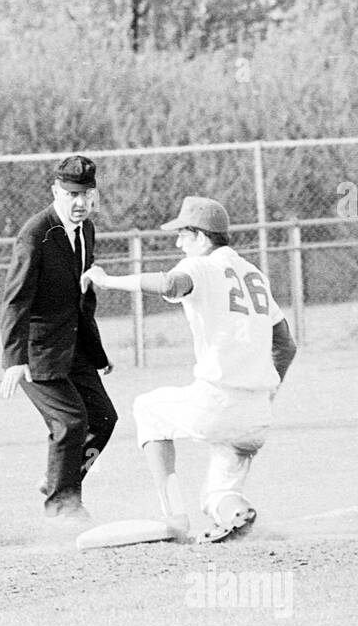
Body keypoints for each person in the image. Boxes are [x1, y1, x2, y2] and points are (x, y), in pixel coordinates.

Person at [81, 196, 297, 542]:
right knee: (215, 498)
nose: (178, 242)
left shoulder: (201, 267)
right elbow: (286, 345)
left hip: (217, 400)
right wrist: (269, 393)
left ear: (201, 235)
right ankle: (236, 512)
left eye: (183, 234)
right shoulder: (255, 274)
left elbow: (169, 284)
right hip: (257, 413)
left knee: (147, 409)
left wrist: (107, 281)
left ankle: (174, 518)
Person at [0, 154, 117, 521]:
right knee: (70, 422)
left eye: (86, 194)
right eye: (71, 194)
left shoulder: (87, 231)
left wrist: (98, 355)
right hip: (38, 352)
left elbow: (83, 298)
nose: (80, 202)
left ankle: (58, 481)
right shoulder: (36, 235)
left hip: (75, 348)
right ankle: (62, 506)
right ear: (56, 192)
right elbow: (15, 300)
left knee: (103, 419)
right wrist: (14, 361)